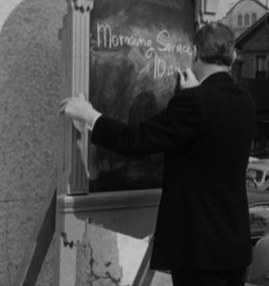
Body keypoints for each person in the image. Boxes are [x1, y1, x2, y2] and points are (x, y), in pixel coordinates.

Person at [59, 21, 255, 286]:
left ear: (195, 53)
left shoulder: (195, 103)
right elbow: (208, 139)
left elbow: (136, 141)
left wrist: (89, 115)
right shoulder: (244, 101)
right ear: (231, 57)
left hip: (199, 252)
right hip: (234, 247)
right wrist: (194, 95)